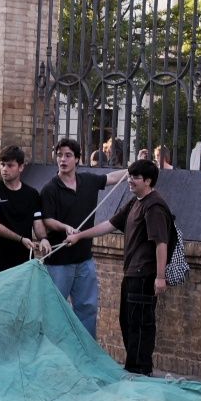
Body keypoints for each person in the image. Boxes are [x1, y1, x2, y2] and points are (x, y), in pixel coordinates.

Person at [61, 158, 173, 375]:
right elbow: (109, 224)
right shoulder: (135, 202)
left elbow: (161, 243)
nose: (129, 180)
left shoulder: (154, 206)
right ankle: (133, 367)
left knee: (139, 324)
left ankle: (140, 370)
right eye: (129, 176)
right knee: (127, 321)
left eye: (135, 177)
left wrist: (160, 277)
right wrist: (79, 236)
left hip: (144, 274)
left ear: (148, 181)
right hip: (131, 273)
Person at [39, 138, 127, 338]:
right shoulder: (50, 189)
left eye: (68, 155)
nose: (63, 159)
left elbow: (111, 178)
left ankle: (86, 353)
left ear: (77, 159)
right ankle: (54, 352)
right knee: (55, 312)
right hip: (58, 263)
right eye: (59, 155)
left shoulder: (88, 181)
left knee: (87, 310)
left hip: (84, 260)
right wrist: (65, 227)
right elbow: (47, 220)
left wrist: (133, 170)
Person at [0, 145, 46, 279]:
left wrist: (44, 239)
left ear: (21, 167)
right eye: (2, 164)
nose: (4, 169)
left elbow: (38, 224)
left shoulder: (32, 194)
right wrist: (20, 239)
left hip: (22, 264)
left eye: (10, 165)